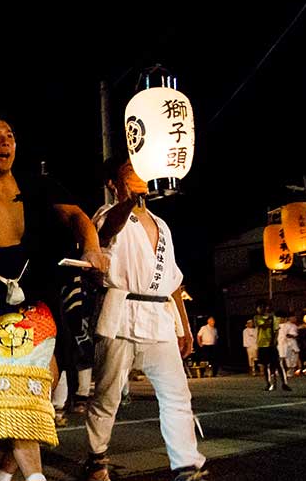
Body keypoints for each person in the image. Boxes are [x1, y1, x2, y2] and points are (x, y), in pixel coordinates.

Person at [0, 117, 108, 481]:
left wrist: (92, 248)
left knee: (32, 399)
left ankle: (5, 476)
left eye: (10, 135)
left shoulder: (38, 186)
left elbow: (78, 216)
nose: (5, 142)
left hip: (42, 304)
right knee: (22, 402)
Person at [83, 157, 207, 481]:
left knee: (176, 393)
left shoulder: (162, 225)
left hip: (160, 318)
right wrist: (126, 202)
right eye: (129, 171)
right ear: (113, 183)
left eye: (141, 170)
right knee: (107, 396)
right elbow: (109, 230)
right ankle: (97, 460)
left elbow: (174, 282)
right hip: (119, 315)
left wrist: (185, 328)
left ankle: (186, 465)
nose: (138, 176)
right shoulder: (104, 216)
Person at [253, 303, 290, 392]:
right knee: (266, 365)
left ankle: (284, 383)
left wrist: (274, 341)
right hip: (262, 344)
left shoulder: (274, 318)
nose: (259, 309)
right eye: (258, 308)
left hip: (271, 344)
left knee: (278, 364)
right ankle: (269, 384)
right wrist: (270, 318)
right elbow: (262, 325)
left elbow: (276, 330)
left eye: (260, 307)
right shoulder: (257, 317)